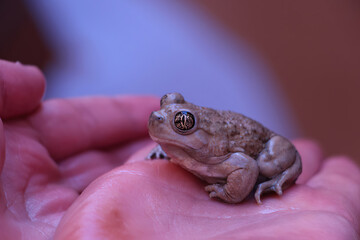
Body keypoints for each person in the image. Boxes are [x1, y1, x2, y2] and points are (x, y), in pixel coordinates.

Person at [0, 59, 359, 239]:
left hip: (261, 142)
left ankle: (282, 173)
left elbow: (244, 168)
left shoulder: (220, 155)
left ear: (195, 130)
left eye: (181, 123)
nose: (159, 119)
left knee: (266, 165)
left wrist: (231, 194)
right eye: (166, 110)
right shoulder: (183, 148)